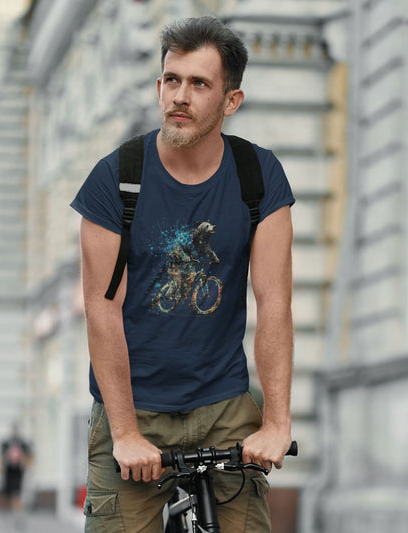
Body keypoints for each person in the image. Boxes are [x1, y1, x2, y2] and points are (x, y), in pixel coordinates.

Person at [71, 15, 295, 532]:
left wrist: (277, 422)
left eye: (199, 84)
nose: (181, 96)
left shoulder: (258, 176)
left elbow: (275, 301)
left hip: (223, 404)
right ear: (158, 87)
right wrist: (124, 432)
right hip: (134, 406)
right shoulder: (116, 179)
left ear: (230, 101)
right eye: (172, 80)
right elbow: (100, 310)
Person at [0, 424, 32, 519]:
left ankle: (17, 513)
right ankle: (6, 512)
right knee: (6, 495)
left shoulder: (23, 444)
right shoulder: (6, 443)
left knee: (16, 494)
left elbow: (28, 458)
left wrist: (23, 461)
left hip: (18, 473)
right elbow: (2, 458)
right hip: (8, 472)